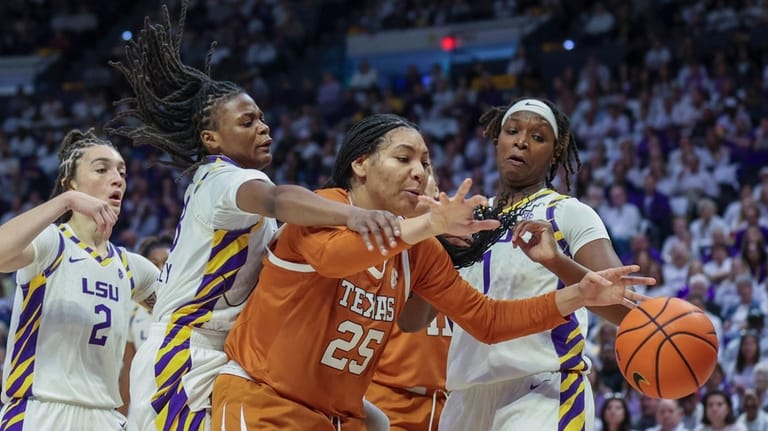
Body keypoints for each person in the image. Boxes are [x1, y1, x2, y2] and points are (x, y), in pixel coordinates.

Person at [212, 113, 654, 430]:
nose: (419, 172)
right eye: (403, 159)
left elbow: (488, 320)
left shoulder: (419, 252)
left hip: (339, 419)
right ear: (360, 165)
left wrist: (578, 295)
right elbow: (335, 260)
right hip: (267, 402)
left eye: (424, 162)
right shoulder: (326, 207)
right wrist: (432, 225)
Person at [108, 4, 403, 430]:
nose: (263, 127)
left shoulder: (237, 189)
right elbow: (279, 198)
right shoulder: (221, 178)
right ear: (212, 139)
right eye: (247, 122)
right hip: (185, 350)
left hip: (232, 348)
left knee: (370, 419)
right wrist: (352, 216)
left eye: (262, 118)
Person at [438, 98, 640, 431]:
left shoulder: (568, 213)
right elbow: (411, 319)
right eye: (512, 131)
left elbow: (627, 310)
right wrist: (433, 242)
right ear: (496, 140)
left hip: (542, 390)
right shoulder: (466, 220)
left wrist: (556, 261)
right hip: (465, 396)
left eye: (538, 137)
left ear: (556, 153)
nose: (521, 141)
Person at [0, 129, 158, 430]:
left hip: (107, 417)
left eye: (122, 172)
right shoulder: (52, 244)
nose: (117, 179)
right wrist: (66, 202)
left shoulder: (133, 267)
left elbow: (185, 313)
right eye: (102, 169)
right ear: (69, 181)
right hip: (42, 413)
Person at [119, 235, 172, 417]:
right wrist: (123, 411)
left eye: (166, 262)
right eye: (154, 263)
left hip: (177, 395)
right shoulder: (132, 311)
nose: (161, 268)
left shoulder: (191, 304)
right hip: (143, 400)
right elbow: (128, 365)